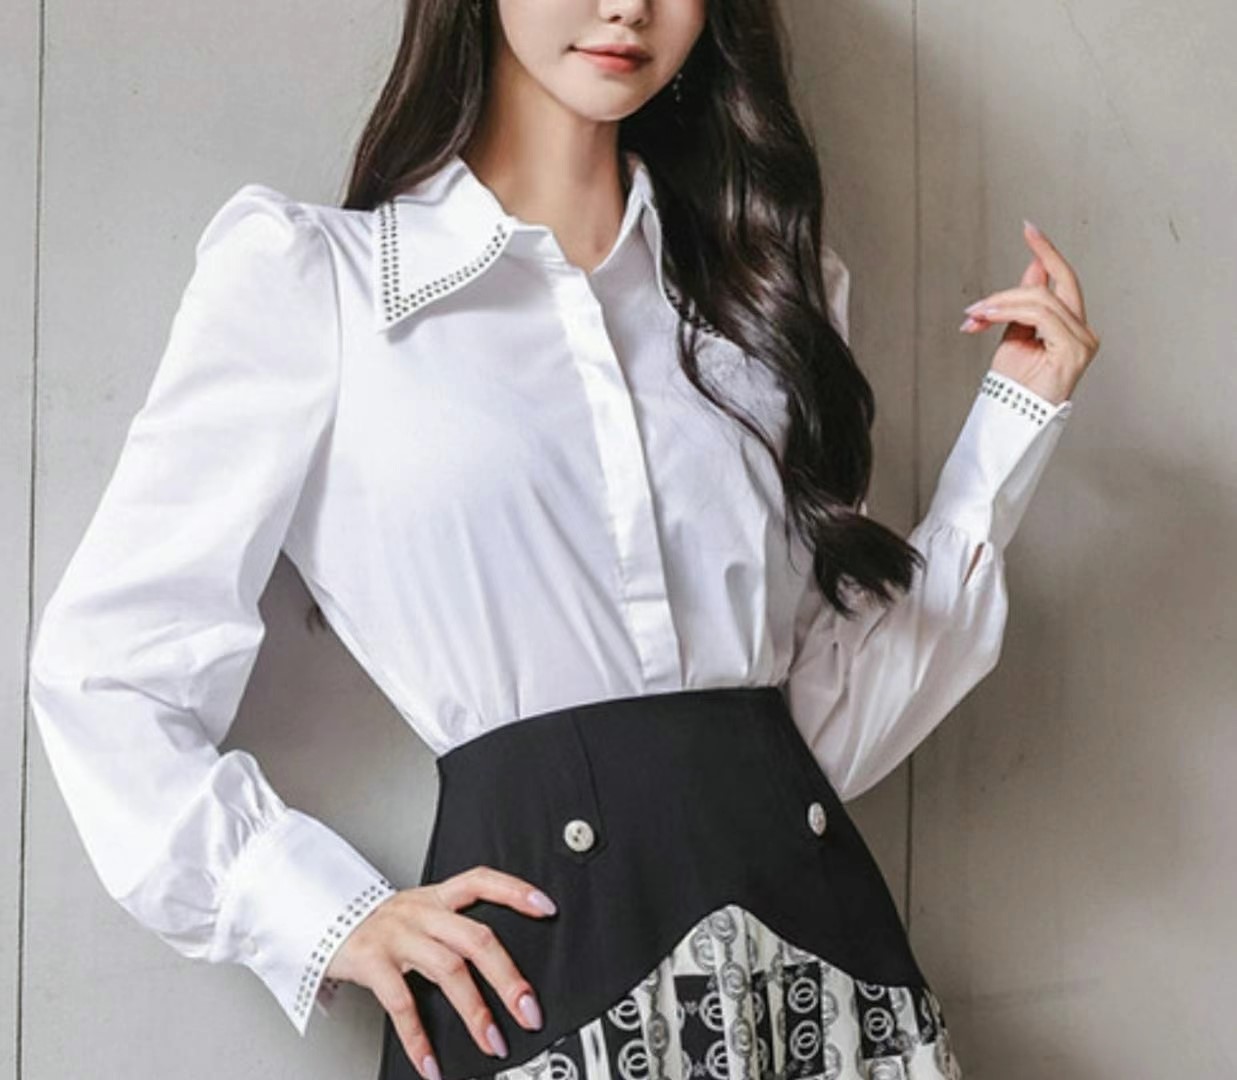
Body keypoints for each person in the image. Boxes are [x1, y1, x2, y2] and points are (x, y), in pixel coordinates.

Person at [27, 0, 1101, 1078]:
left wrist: (1008, 432)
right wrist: (325, 915)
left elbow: (815, 741)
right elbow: (107, 672)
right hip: (542, 998)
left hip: (818, 991)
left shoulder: (770, 303)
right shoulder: (320, 285)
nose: (626, 5)